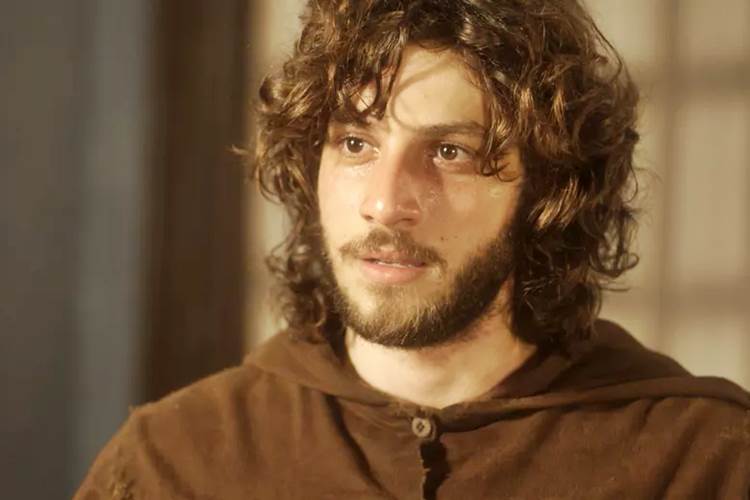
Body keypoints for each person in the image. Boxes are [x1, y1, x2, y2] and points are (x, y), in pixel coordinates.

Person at [76, 1, 750, 498]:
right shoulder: (172, 464)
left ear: (547, 192)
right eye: (355, 144)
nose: (385, 202)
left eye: (450, 152)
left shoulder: (700, 463)